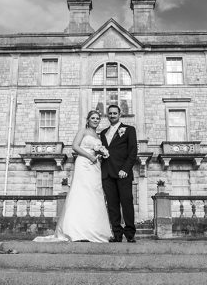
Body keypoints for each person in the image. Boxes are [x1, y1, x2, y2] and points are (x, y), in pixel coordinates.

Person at [33, 110, 112, 243]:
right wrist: (90, 156)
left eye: (97, 118)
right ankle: (75, 230)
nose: (95, 120)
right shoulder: (83, 131)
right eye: (93, 118)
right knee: (81, 192)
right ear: (88, 120)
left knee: (94, 194)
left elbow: (96, 150)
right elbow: (75, 146)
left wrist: (101, 155)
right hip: (84, 163)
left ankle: (91, 229)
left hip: (95, 166)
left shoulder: (98, 136)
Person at [100, 104, 138, 243]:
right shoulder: (103, 133)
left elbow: (133, 152)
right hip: (107, 174)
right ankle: (116, 233)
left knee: (127, 203)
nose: (112, 115)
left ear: (119, 114)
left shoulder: (129, 130)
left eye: (115, 113)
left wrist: (126, 169)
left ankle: (130, 234)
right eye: (110, 113)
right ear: (107, 115)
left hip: (123, 173)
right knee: (112, 205)